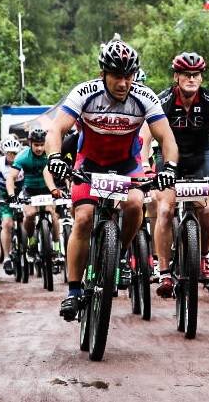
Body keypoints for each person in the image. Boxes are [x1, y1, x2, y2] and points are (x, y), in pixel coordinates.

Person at [40, 39, 180, 322]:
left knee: (135, 204)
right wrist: (55, 156)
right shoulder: (85, 93)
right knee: (84, 217)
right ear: (103, 73)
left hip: (126, 166)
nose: (123, 83)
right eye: (117, 75)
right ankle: (74, 290)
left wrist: (170, 166)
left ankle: (119, 251)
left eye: (128, 76)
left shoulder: (144, 96)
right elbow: (56, 128)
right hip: (89, 165)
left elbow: (168, 139)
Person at [152, 52, 209, 295]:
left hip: (202, 157)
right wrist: (147, 166)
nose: (192, 79)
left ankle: (203, 256)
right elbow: (146, 134)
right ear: (176, 76)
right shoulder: (163, 100)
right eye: (186, 75)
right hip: (169, 157)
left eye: (196, 75)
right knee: (165, 210)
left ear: (201, 77)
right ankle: (165, 271)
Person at [7, 127, 62, 264]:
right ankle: (31, 242)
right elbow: (11, 177)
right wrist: (11, 194)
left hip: (47, 189)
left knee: (54, 215)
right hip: (29, 191)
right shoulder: (23, 156)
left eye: (42, 144)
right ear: (30, 143)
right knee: (30, 215)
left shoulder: (50, 154)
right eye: (36, 145)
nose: (39, 148)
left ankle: (56, 247)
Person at [0, 137, 24, 275]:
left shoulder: (22, 161)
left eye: (14, 153)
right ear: (4, 153)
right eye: (9, 153)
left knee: (28, 219)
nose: (12, 156)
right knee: (7, 224)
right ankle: (7, 257)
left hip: (21, 193)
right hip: (4, 194)